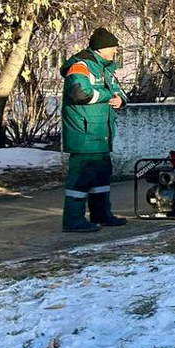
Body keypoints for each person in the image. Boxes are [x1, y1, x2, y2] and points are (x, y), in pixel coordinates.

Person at [60, 27, 129, 232]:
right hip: (85, 135)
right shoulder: (80, 66)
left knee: (101, 178)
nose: (116, 51)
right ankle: (73, 221)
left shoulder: (105, 69)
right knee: (80, 180)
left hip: (101, 135)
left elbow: (119, 92)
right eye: (113, 47)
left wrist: (120, 100)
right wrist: (108, 96)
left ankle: (101, 215)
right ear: (101, 48)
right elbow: (79, 93)